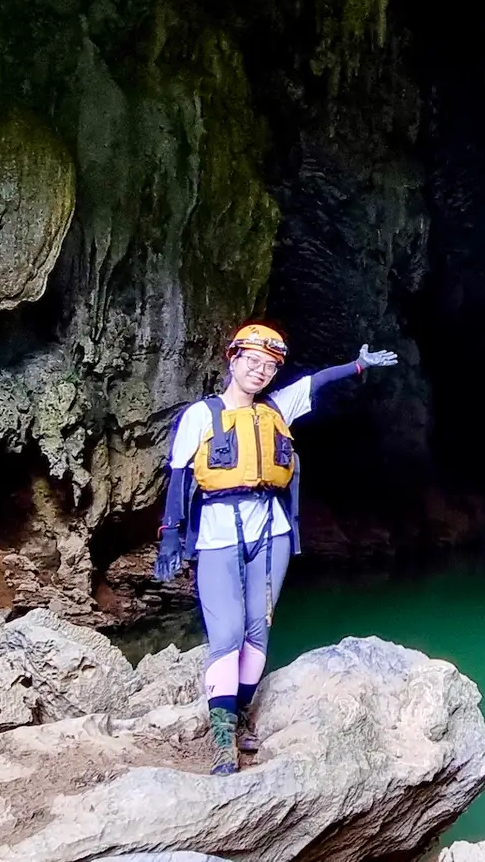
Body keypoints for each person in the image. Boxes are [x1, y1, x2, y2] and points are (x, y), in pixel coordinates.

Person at [153, 323, 400, 774]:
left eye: (269, 365)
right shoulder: (201, 416)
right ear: (232, 360)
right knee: (225, 634)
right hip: (218, 534)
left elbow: (317, 381)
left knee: (256, 632)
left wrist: (359, 365)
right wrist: (171, 536)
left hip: (272, 533)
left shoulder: (276, 408)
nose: (260, 371)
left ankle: (241, 715)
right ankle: (222, 738)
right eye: (252, 361)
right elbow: (180, 477)